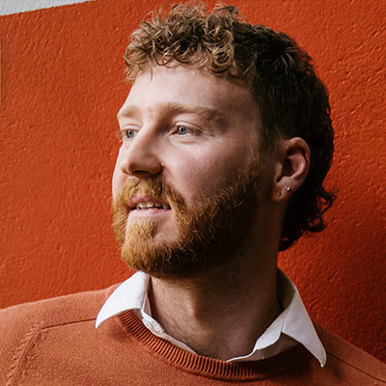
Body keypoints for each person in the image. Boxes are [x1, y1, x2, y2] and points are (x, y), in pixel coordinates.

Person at [1, 3, 384, 385]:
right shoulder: (15, 351)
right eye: (130, 132)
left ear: (285, 168)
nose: (133, 160)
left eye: (183, 129)